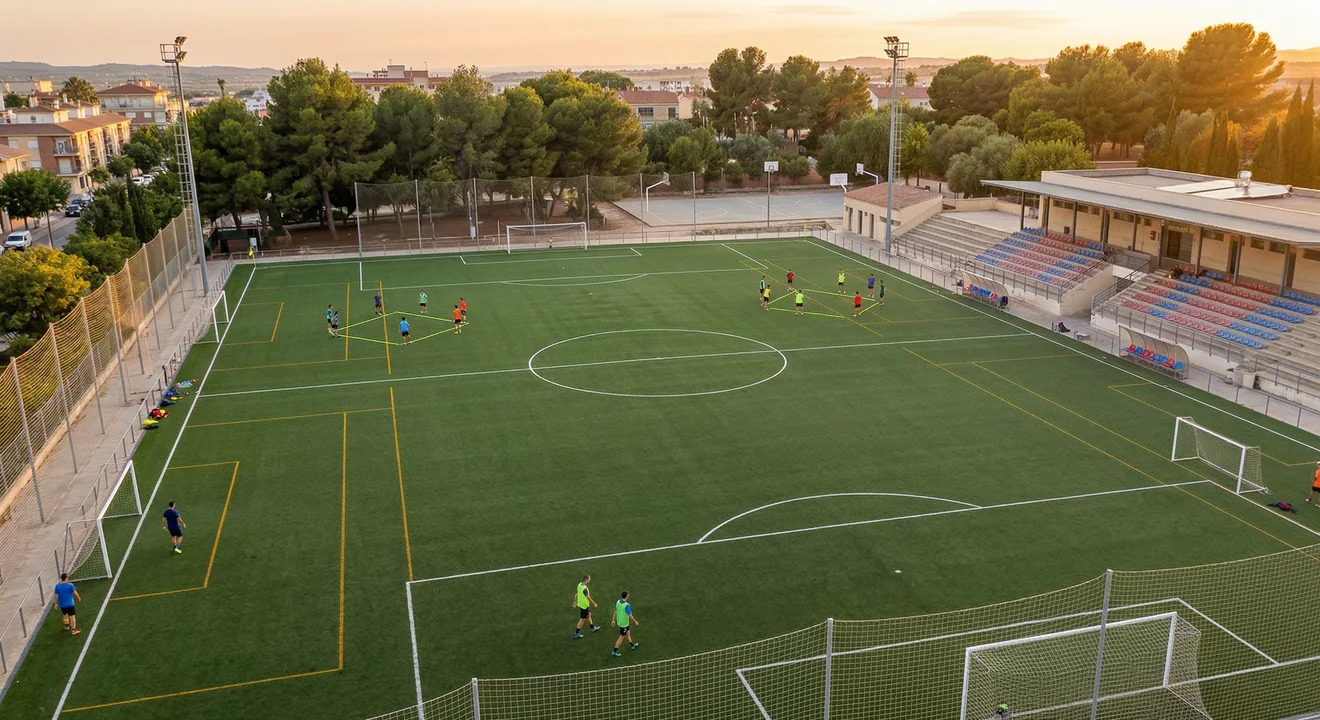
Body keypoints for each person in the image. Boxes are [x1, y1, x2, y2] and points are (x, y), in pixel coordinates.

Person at [610, 590, 639, 656]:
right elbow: (630, 615)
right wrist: (635, 622)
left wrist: (613, 620)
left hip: (620, 621)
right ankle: (615, 651)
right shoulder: (627, 605)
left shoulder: (617, 602)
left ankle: (632, 645)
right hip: (624, 624)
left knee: (628, 633)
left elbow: (615, 611)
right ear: (627, 596)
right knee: (621, 637)